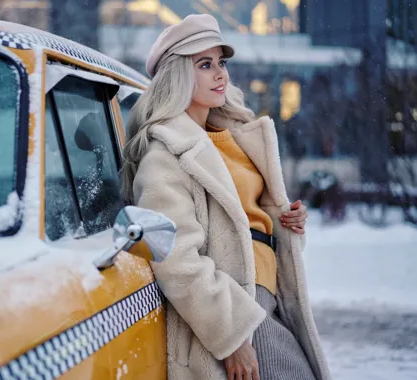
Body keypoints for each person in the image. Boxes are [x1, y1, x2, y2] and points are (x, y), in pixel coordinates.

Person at [121, 14, 331, 380]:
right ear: (178, 75)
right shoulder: (164, 154)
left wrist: (286, 224)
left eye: (221, 62)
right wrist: (232, 335)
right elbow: (175, 257)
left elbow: (249, 221)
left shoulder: (233, 137)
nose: (220, 74)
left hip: (271, 294)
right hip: (237, 304)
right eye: (205, 64)